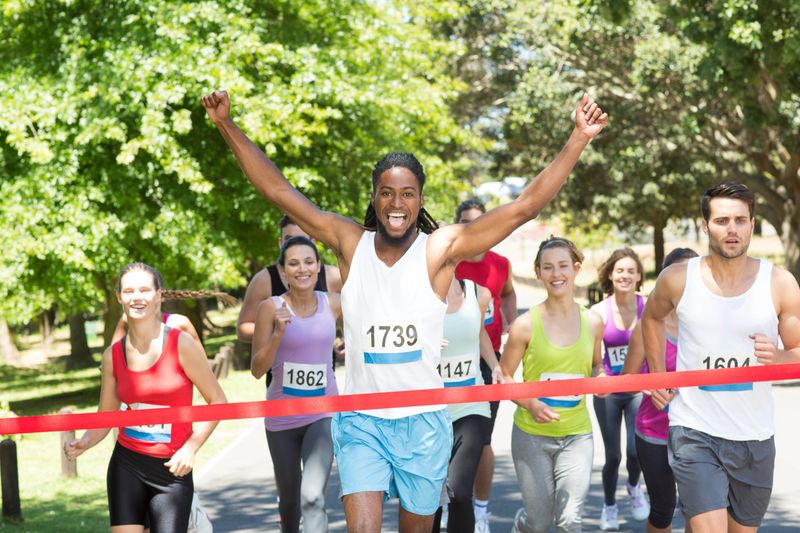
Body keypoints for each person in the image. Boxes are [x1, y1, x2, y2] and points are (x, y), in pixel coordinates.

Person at [203, 88, 607, 532]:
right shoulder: (349, 243)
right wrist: (226, 125)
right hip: (362, 422)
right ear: (374, 197)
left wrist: (578, 138)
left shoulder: (440, 251)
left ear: (420, 199)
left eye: (407, 194)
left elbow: (524, 207)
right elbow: (278, 190)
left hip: (423, 423)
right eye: (387, 193)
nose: (397, 203)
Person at [642, 182, 800, 533]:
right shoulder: (678, 279)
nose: (732, 229)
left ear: (753, 224)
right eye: (723, 220)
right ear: (705, 225)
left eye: (741, 221)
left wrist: (777, 358)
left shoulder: (779, 283)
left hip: (754, 435)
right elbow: (651, 317)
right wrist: (657, 375)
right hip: (694, 429)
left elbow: (798, 352)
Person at [64, 262, 228, 533]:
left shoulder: (180, 344)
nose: (136, 297)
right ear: (119, 297)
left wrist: (191, 448)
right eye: (128, 291)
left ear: (159, 295)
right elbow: (107, 415)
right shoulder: (112, 356)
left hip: (171, 470)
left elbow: (218, 402)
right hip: (127, 465)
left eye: (144, 290)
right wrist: (85, 441)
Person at [501, 237, 604, 533]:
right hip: (531, 436)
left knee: (570, 519)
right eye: (548, 267)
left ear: (576, 269)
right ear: (538, 273)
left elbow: (597, 365)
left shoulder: (594, 322)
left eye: (562, 266)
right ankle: (523, 525)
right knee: (539, 523)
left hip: (577, 435)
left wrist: (599, 380)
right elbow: (505, 377)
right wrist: (531, 403)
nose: (556, 274)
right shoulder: (524, 325)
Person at [251, 236, 342, 533]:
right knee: (289, 503)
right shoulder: (270, 307)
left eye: (308, 262)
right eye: (293, 263)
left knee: (313, 496)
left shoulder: (335, 304)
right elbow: (256, 369)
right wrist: (278, 334)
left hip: (323, 412)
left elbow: (371, 324)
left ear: (318, 267)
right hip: (282, 419)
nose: (301, 269)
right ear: (283, 272)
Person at [621, 248, 698, 533]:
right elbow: (627, 377)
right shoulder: (648, 326)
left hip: (699, 430)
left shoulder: (707, 326)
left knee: (699, 507)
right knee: (663, 508)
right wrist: (649, 387)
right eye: (679, 275)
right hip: (655, 432)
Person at [453, 199, 517, 532]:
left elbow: (507, 293)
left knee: (483, 440)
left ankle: (480, 509)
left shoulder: (500, 264)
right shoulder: (449, 262)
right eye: (467, 222)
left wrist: (508, 323)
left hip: (487, 357)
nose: (475, 228)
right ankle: (449, 500)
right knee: (446, 437)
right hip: (449, 360)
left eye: (482, 222)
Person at [590, 247, 649, 529]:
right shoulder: (598, 312)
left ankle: (635, 487)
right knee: (613, 455)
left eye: (630, 271)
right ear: (611, 276)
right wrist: (598, 375)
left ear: (639, 276)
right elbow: (593, 359)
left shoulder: (649, 306)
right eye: (620, 271)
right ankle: (609, 506)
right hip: (610, 392)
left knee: (636, 450)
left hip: (640, 388)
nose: (625, 275)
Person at [432, 277, 496, 532]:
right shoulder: (413, 293)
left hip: (472, 406)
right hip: (429, 410)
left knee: (458, 490)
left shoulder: (478, 293)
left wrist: (496, 367)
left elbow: (479, 332)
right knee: (429, 497)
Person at [237, 215, 342, 343]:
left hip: (325, 362)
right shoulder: (264, 280)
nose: (296, 247)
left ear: (313, 243)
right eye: (289, 241)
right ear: (280, 243)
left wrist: (347, 341)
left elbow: (357, 314)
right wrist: (276, 330)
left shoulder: (333, 276)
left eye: (302, 240)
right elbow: (242, 328)